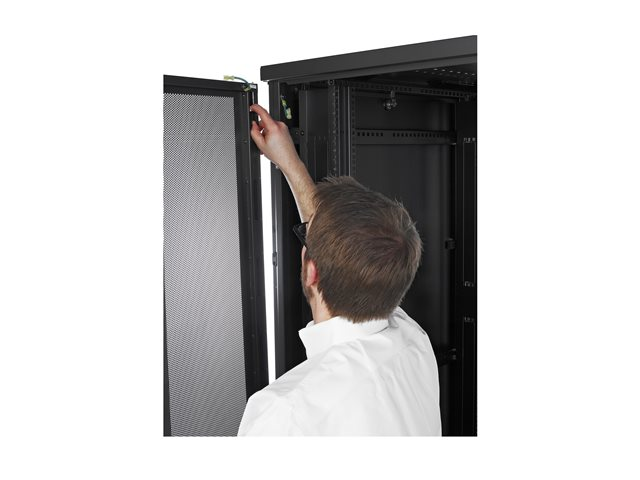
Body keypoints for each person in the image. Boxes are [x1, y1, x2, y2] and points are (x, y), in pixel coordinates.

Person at [237, 104, 441, 436]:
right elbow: (348, 247)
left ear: (311, 272)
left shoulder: (283, 414)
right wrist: (290, 163)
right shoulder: (412, 341)